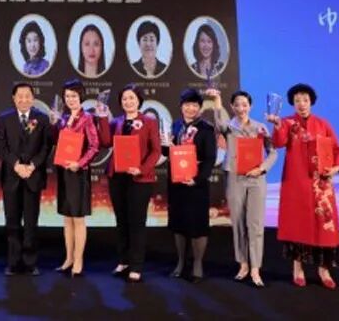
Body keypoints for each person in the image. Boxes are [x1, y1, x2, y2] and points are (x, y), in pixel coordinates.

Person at [267, 83, 339, 290]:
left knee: (324, 226)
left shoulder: (323, 124)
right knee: (297, 224)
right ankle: (297, 268)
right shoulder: (287, 122)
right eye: (297, 100)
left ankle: (324, 270)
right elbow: (279, 142)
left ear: (311, 102)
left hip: (321, 184)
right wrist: (277, 125)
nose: (302, 104)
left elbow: (337, 149)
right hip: (296, 182)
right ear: (292, 103)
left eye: (305, 100)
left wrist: (336, 168)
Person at [210, 89, 277, 287]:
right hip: (235, 178)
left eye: (244, 104)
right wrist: (217, 100)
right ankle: (243, 264)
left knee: (255, 224)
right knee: (238, 223)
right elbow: (219, 123)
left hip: (256, 179)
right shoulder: (228, 127)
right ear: (232, 107)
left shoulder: (260, 127)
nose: (241, 108)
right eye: (237, 105)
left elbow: (273, 152)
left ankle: (256, 268)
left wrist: (262, 168)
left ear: (250, 106)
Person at [97, 84, 161, 283]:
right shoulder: (116, 121)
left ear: (139, 100)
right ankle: (124, 260)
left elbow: (156, 151)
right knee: (122, 220)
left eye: (131, 98)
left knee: (137, 222)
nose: (128, 102)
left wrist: (141, 169)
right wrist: (102, 117)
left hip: (139, 178)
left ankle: (136, 265)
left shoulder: (149, 122)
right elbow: (105, 142)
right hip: (117, 177)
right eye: (124, 99)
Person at [0, 82, 53, 276]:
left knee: (30, 222)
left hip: (32, 176)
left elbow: (46, 147)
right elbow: (1, 146)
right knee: (12, 222)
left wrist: (32, 165)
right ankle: (13, 262)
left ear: (33, 97)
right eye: (19, 96)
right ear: (14, 98)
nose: (23, 99)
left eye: (27, 96)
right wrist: (16, 165)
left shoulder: (42, 118)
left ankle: (30, 262)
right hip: (11, 176)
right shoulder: (5, 118)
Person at [166, 88, 217, 283]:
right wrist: (165, 145)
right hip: (177, 182)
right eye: (187, 105)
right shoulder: (176, 125)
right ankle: (180, 262)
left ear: (200, 108)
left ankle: (197, 264)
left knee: (198, 225)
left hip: (197, 183)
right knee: (178, 223)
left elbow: (210, 158)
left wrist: (197, 179)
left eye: (195, 105)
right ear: (181, 107)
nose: (190, 108)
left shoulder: (206, 128)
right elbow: (168, 153)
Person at [50, 79, 99, 277]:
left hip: (78, 173)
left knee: (78, 219)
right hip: (63, 171)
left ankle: (79, 260)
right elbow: (56, 141)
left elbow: (94, 146)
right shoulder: (62, 119)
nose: (70, 99)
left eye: (74, 96)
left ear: (81, 97)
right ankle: (68, 258)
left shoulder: (87, 118)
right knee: (67, 218)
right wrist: (54, 124)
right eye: (67, 96)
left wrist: (79, 163)